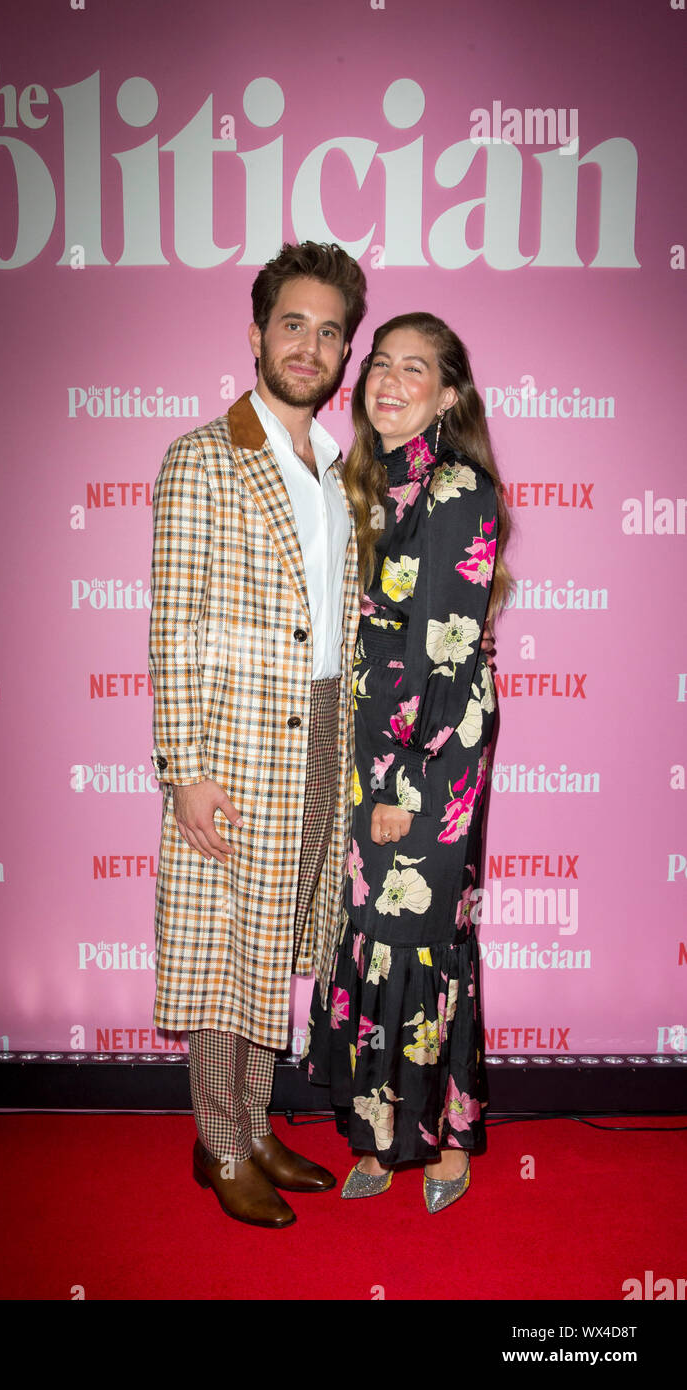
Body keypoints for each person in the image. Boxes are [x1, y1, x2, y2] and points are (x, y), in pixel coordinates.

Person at [148, 242, 367, 1228]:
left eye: (329, 331)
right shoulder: (204, 457)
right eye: (293, 324)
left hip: (324, 727)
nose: (309, 345)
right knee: (221, 942)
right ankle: (218, 1141)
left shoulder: (336, 467)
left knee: (276, 941)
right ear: (256, 333)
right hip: (235, 740)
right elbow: (173, 622)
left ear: (344, 351)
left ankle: (257, 1119)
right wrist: (184, 770)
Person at [305, 312, 511, 1212]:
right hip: (375, 741)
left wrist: (397, 781)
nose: (388, 381)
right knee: (375, 940)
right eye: (379, 364)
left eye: (414, 368)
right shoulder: (374, 479)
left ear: (449, 392)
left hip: (429, 752)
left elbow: (447, 647)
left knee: (420, 944)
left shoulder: (457, 487)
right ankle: (378, 1135)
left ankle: (446, 1144)